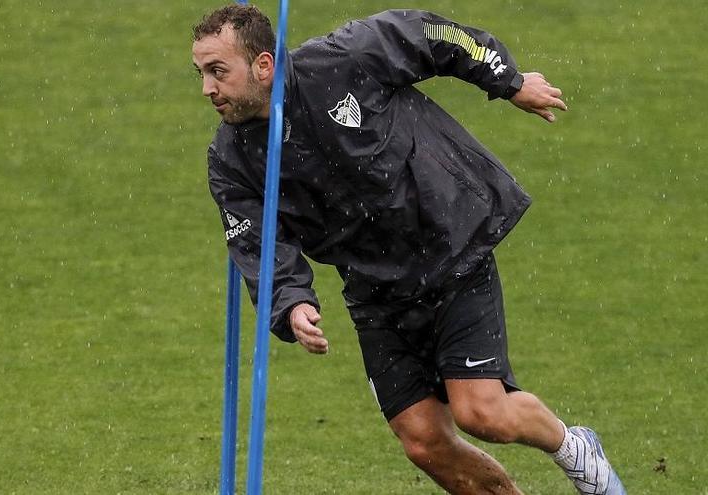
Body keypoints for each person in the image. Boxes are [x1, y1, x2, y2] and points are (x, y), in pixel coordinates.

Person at [192, 4, 625, 494]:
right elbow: (256, 243)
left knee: (482, 413)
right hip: (374, 289)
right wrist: (292, 302)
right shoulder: (229, 161)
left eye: (218, 71)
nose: (207, 88)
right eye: (202, 73)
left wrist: (507, 80)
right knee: (423, 442)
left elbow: (432, 34)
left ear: (264, 66)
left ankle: (574, 447)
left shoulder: (345, 58)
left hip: (451, 252)